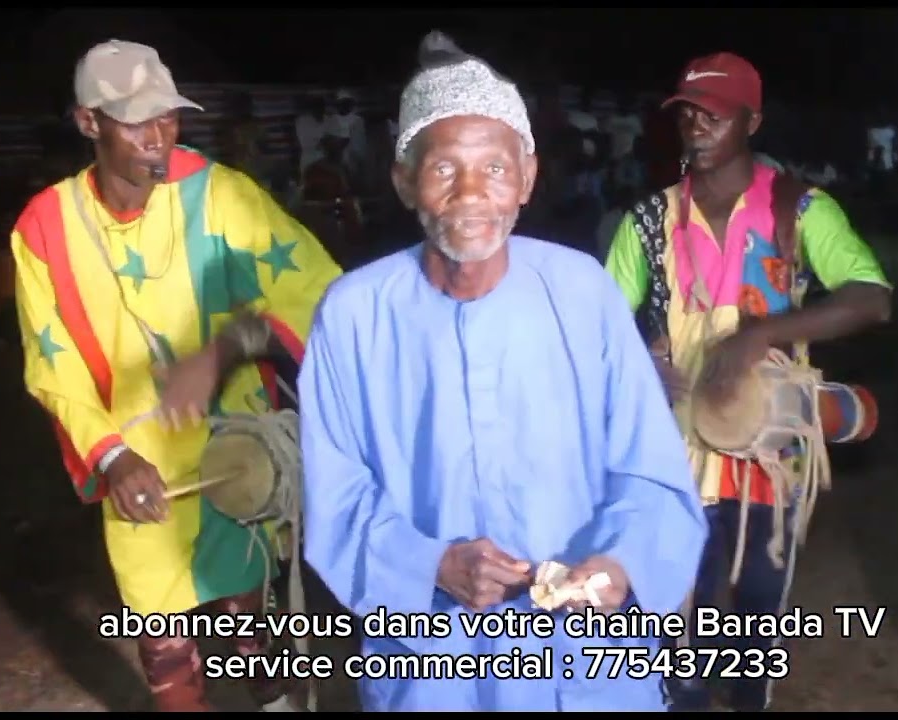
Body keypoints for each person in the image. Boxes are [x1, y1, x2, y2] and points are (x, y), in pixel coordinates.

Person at [297, 32, 707, 712]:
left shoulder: (582, 292)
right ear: (404, 180)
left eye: (494, 167)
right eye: (443, 168)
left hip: (585, 658)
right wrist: (432, 566)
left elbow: (649, 466)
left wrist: (621, 564)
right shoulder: (353, 315)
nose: (470, 193)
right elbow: (337, 497)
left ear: (527, 177)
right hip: (433, 662)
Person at [10, 40, 342, 712]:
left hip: (237, 455)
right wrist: (112, 457)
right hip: (140, 474)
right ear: (89, 123)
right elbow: (55, 368)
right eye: (137, 121)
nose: (158, 137)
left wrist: (224, 351)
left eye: (168, 117)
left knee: (256, 622)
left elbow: (319, 293)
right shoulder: (45, 230)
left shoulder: (220, 196)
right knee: (163, 649)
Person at [603, 52, 892, 712]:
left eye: (716, 115)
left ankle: (750, 692)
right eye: (687, 115)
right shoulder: (648, 221)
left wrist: (759, 334)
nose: (698, 127)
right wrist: (636, 355)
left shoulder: (799, 209)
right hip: (675, 447)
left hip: (770, 441)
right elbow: (598, 329)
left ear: (751, 120)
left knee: (760, 601)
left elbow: (873, 296)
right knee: (684, 602)